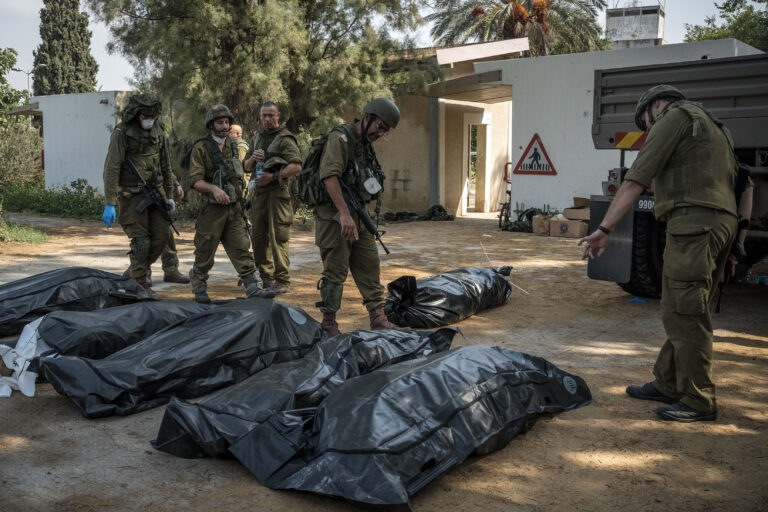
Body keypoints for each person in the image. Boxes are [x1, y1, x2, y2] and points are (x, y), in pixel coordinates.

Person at [578, 84, 739, 422]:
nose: (647, 129)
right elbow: (744, 181)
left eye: (645, 123)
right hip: (720, 222)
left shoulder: (673, 117)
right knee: (681, 305)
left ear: (655, 106)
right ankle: (668, 382)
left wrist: (604, 230)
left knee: (686, 311)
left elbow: (635, 180)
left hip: (694, 223)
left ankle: (698, 399)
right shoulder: (714, 125)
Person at [313, 98, 410, 336]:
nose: (381, 133)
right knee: (335, 270)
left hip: (357, 214)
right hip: (335, 215)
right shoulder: (341, 139)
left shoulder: (363, 144)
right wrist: (344, 213)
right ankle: (329, 323)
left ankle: (378, 318)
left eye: (385, 131)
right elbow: (329, 176)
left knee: (369, 264)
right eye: (380, 127)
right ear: (368, 118)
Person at [186, 104, 272, 303]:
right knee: (205, 250)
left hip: (234, 208)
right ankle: (199, 286)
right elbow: (195, 180)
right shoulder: (201, 148)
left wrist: (252, 160)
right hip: (212, 210)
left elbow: (241, 169)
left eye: (226, 122)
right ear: (211, 125)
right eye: (219, 122)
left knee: (242, 247)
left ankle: (253, 288)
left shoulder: (233, 145)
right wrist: (214, 189)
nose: (224, 126)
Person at [102, 93, 174, 293]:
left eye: (152, 116)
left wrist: (169, 194)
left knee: (162, 236)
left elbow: (166, 165)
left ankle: (136, 269)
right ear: (136, 114)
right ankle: (139, 282)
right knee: (141, 242)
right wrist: (110, 201)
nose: (148, 120)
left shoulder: (159, 131)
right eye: (144, 116)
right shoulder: (122, 133)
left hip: (156, 193)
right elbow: (112, 167)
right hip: (131, 194)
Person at [243, 102, 302, 295]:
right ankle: (266, 277)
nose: (267, 119)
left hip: (277, 194)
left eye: (271, 115)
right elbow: (246, 167)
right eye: (264, 116)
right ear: (260, 117)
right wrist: (252, 159)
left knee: (279, 238)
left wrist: (274, 177)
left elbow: (296, 166)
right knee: (258, 237)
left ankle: (282, 280)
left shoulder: (285, 138)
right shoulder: (258, 136)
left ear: (278, 116)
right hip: (259, 194)